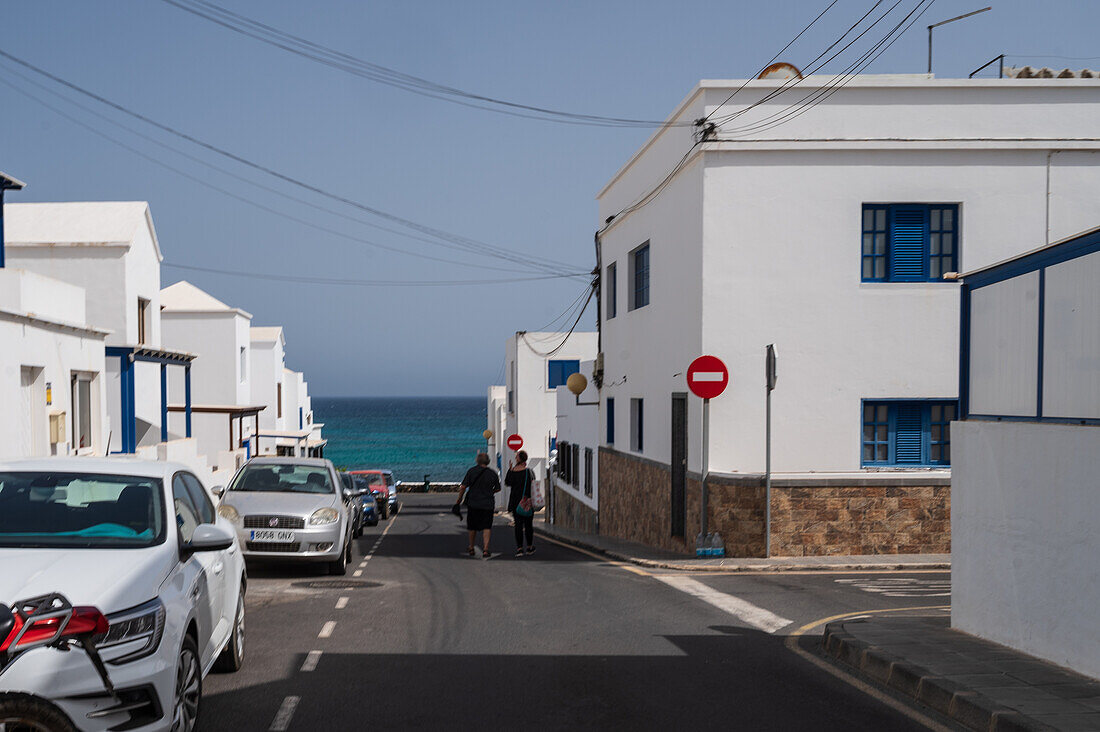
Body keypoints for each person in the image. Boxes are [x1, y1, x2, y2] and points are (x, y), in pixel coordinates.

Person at [456, 453, 501, 558]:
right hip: (488, 503)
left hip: (474, 503)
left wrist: (459, 499)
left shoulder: (471, 471)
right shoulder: (492, 473)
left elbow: (463, 487)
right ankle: (486, 549)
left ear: (477, 461)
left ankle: (471, 547)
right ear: (488, 461)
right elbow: (498, 488)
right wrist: (489, 492)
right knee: (487, 526)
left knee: (472, 526)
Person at [505, 451, 537, 557]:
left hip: (516, 502)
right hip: (527, 501)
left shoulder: (513, 471)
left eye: (516, 456)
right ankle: (529, 547)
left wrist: (510, 469)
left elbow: (507, 482)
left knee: (518, 525)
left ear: (518, 459)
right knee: (528, 525)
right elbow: (533, 481)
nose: (515, 458)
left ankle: (519, 548)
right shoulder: (529, 472)